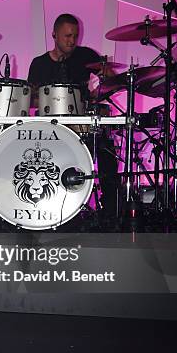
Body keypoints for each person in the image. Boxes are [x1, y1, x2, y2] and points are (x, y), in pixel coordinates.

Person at [28, 13, 119, 222]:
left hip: (81, 122)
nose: (72, 41)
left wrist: (100, 91)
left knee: (105, 146)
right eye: (67, 36)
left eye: (75, 36)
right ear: (54, 35)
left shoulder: (85, 55)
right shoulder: (39, 64)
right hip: (50, 126)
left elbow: (113, 78)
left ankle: (112, 208)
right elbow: (30, 100)